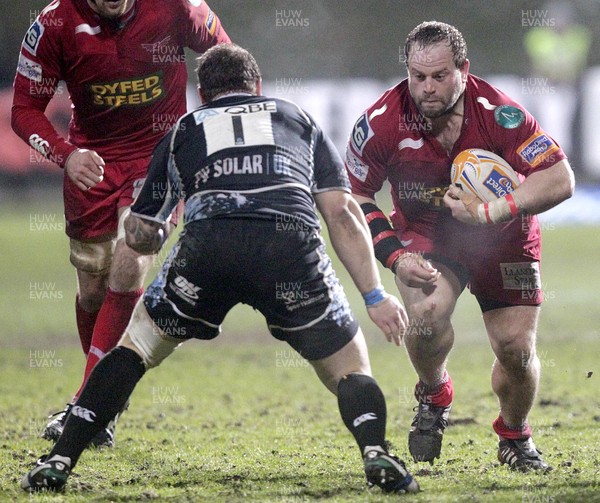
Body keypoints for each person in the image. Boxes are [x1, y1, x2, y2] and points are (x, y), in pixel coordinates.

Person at [21, 43, 420, 495]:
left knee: (135, 348)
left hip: (208, 247)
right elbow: (343, 213)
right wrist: (374, 296)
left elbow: (141, 234)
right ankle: (374, 450)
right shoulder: (298, 119)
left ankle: (59, 460)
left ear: (203, 95)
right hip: (288, 246)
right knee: (349, 365)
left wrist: (143, 232)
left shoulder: (183, 130)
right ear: (258, 87)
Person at [346, 21, 574, 471]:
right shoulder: (381, 123)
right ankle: (434, 392)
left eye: (440, 76)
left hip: (506, 236)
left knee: (516, 349)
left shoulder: (500, 114)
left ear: (464, 71)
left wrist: (491, 212)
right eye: (417, 76)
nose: (427, 88)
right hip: (428, 233)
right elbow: (355, 198)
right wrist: (394, 254)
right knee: (426, 317)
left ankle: (514, 436)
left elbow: (559, 178)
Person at [11, 0, 230, 446]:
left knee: (130, 260)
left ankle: (90, 407)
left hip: (159, 158)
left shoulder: (177, 7)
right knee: (93, 290)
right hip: (90, 163)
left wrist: (210, 135)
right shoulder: (53, 23)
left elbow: (229, 66)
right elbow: (23, 110)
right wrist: (65, 154)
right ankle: (102, 397)